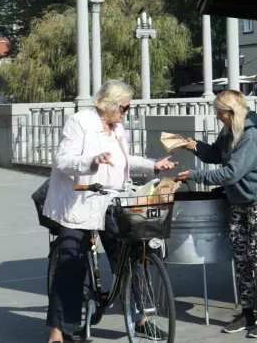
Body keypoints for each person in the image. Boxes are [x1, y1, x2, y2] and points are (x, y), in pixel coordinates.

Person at [42, 80, 176, 343]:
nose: (126, 112)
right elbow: (63, 161)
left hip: (112, 201)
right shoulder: (81, 122)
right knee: (71, 264)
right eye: (124, 107)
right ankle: (58, 332)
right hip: (79, 202)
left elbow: (121, 161)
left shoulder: (117, 127)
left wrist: (152, 165)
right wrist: (91, 161)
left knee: (134, 255)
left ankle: (141, 319)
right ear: (110, 104)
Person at [177, 89, 257, 338]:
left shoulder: (252, 136)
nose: (217, 116)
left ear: (232, 112)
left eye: (219, 112)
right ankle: (247, 313)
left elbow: (231, 173)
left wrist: (194, 175)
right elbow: (217, 155)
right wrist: (195, 147)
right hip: (238, 201)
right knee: (241, 258)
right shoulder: (229, 131)